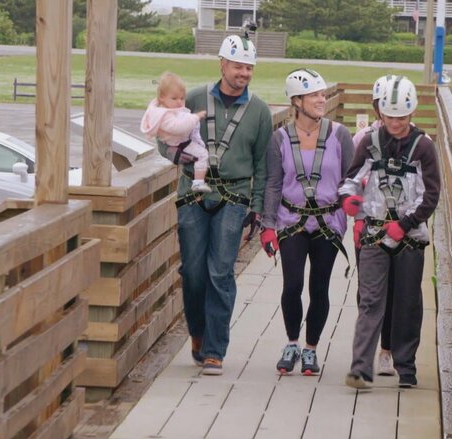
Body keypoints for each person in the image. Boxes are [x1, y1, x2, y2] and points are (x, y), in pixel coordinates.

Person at [174, 33, 273, 376]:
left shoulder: (259, 111)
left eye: (249, 67)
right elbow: (165, 135)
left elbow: (262, 164)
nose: (243, 73)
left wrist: (258, 207)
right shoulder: (195, 98)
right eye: (237, 66)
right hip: (193, 194)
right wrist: (179, 155)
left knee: (220, 271)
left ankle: (215, 349)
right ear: (222, 64)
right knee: (193, 272)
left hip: (233, 197)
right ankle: (198, 333)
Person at [340, 76, 441, 389]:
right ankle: (360, 369)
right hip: (373, 232)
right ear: (380, 113)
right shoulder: (370, 142)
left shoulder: (424, 147)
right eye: (389, 116)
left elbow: (432, 194)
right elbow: (352, 178)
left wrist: (406, 224)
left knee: (408, 302)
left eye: (401, 116)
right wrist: (348, 199)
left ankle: (406, 368)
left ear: (411, 114)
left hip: (409, 237)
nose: (395, 122)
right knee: (370, 301)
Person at [260, 69, 355, 376]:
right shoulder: (279, 139)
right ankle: (291, 343)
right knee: (293, 285)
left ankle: (311, 349)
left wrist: (354, 207)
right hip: (291, 221)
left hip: (328, 221)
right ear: (296, 101)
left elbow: (350, 179)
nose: (321, 99)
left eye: (322, 93)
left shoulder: (339, 135)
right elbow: (273, 184)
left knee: (319, 287)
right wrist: (268, 225)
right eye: (314, 95)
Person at [352, 74, 397, 377]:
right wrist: (355, 220)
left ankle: (387, 350)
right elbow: (352, 181)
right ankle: (364, 353)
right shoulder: (363, 139)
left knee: (394, 291)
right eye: (384, 105)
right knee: (368, 292)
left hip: (401, 228)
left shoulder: (418, 141)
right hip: (368, 225)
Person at [140, 71, 211, 193]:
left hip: (181, 142)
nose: (179, 102)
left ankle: (199, 180)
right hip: (179, 145)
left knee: (202, 154)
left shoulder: (169, 109)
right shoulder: (163, 115)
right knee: (203, 155)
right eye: (174, 98)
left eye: (182, 98)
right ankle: (198, 182)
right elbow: (178, 127)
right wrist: (195, 117)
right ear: (162, 98)